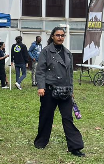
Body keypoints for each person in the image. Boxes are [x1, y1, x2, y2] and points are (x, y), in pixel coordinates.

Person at [34, 27, 85, 157]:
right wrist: (41, 87)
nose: (60, 37)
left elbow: (70, 74)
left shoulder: (68, 53)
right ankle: (40, 142)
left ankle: (75, 147)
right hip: (50, 90)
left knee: (68, 118)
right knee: (46, 117)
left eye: (62, 35)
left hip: (65, 91)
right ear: (52, 36)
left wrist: (71, 89)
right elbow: (40, 71)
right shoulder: (46, 51)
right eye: (57, 35)